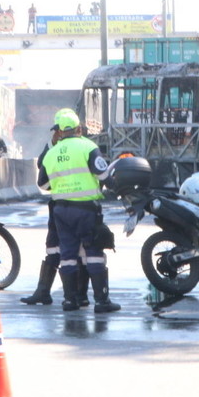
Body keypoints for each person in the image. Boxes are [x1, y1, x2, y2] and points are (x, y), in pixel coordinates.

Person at [38, 108, 119, 312]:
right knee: (93, 253)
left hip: (61, 212)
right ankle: (101, 301)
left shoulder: (51, 153)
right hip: (86, 210)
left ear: (59, 131)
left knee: (67, 254)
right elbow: (103, 175)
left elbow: (44, 185)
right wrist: (118, 187)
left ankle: (69, 300)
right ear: (79, 128)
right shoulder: (88, 147)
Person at [21, 124, 90, 307]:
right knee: (53, 247)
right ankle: (43, 291)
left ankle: (79, 294)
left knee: (81, 251)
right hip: (59, 205)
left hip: (80, 205)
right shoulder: (53, 149)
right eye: (55, 132)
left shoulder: (83, 146)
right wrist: (53, 147)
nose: (57, 135)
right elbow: (41, 167)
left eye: (59, 131)